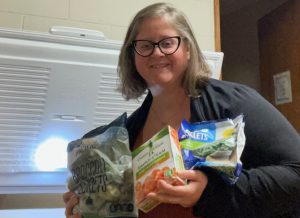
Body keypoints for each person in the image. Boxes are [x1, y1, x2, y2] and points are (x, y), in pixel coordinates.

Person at [63, 2, 300, 218]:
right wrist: (89, 208)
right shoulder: (125, 133)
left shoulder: (234, 103)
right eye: (145, 45)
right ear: (132, 56)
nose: (157, 52)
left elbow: (295, 174)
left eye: (167, 43)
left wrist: (209, 192)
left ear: (187, 49)